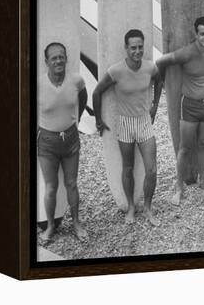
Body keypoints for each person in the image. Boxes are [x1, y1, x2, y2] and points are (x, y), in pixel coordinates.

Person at [92, 29, 162, 226]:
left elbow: (159, 80)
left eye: (140, 47)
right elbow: (97, 92)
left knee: (152, 169)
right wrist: (98, 120)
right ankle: (131, 207)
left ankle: (148, 208)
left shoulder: (150, 67)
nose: (137, 51)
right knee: (128, 167)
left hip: (144, 122)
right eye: (133, 48)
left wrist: (155, 105)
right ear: (126, 48)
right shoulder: (116, 71)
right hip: (124, 123)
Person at [156, 16, 204, 206]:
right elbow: (161, 62)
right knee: (185, 148)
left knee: (202, 144)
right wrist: (162, 83)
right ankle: (179, 187)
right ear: (196, 34)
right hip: (189, 106)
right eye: (201, 34)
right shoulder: (187, 53)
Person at [37, 42, 88, 242]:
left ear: (66, 58)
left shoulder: (76, 80)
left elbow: (83, 96)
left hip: (71, 140)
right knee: (51, 186)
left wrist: (79, 117)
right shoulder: (38, 84)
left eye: (61, 57)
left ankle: (76, 223)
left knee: (72, 184)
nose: (58, 60)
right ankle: (50, 226)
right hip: (47, 143)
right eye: (54, 58)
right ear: (46, 62)